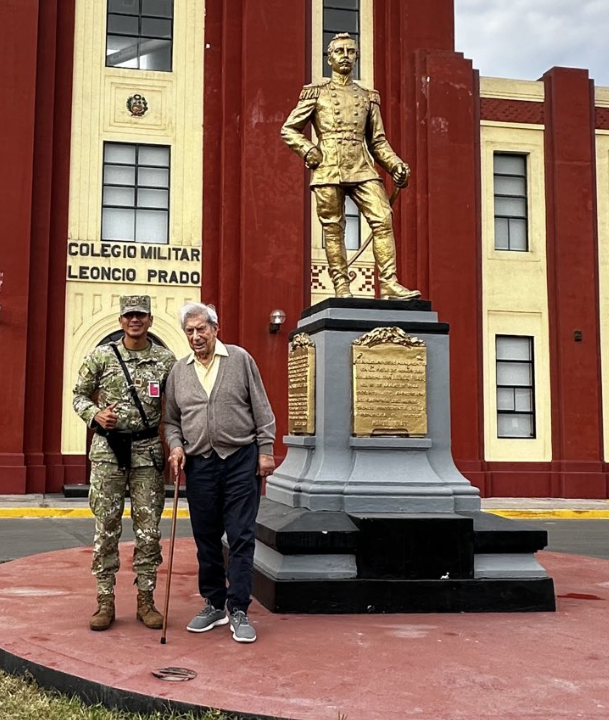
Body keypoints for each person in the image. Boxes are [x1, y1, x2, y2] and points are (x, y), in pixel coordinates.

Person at [163, 302, 276, 643]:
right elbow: (171, 420)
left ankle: (238, 608)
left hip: (240, 459)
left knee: (241, 535)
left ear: (215, 328)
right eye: (190, 331)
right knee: (206, 538)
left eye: (201, 329)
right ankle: (213, 602)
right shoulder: (178, 372)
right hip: (199, 464)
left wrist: (266, 450)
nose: (196, 336)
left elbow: (261, 407)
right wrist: (176, 446)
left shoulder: (240, 360)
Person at [279, 32, 420, 300]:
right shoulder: (316, 93)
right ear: (329, 57)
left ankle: (389, 283)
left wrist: (396, 165)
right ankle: (341, 286)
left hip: (362, 165)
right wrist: (309, 149)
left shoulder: (368, 97)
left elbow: (378, 142)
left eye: (350, 51)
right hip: (329, 166)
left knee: (383, 218)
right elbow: (289, 129)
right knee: (334, 228)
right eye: (339, 51)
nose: (345, 56)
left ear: (356, 57)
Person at [72, 295, 176, 631]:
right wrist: (95, 414)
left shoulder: (165, 361)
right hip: (108, 453)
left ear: (150, 320)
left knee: (149, 532)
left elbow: (176, 405)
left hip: (147, 451)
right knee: (106, 528)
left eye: (141, 316)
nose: (135, 321)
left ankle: (146, 600)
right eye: (129, 315)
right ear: (121, 321)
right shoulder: (101, 356)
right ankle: (105, 600)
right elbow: (78, 395)